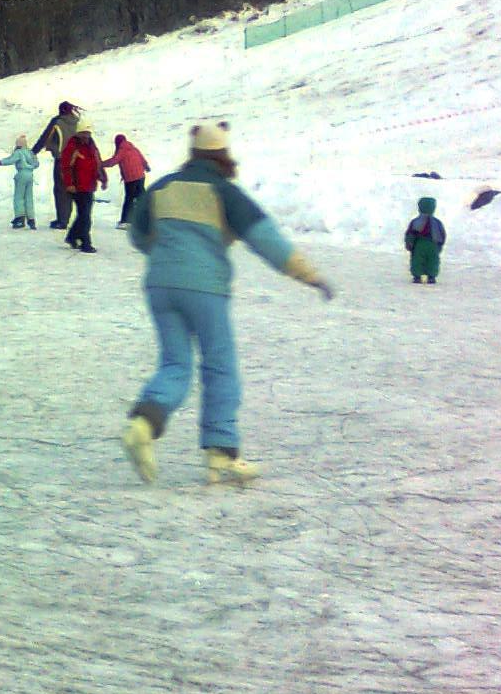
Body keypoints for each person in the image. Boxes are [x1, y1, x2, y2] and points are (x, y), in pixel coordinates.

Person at [121, 121, 334, 486]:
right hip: (205, 288)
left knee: (175, 363)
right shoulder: (224, 192)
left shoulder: (163, 187)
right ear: (223, 156)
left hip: (159, 286)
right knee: (220, 366)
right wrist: (310, 275)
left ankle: (143, 424)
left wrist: (165, 256)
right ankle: (221, 454)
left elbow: (138, 234)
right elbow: (268, 241)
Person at [31, 101, 81, 230]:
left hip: (62, 159)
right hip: (77, 160)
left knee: (61, 189)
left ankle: (62, 220)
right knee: (71, 188)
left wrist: (33, 152)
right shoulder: (77, 122)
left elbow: (45, 137)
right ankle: (70, 218)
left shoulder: (57, 122)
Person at [60, 119, 107, 253]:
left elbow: (97, 163)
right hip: (77, 187)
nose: (86, 136)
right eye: (84, 133)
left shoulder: (92, 147)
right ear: (78, 133)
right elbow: (66, 167)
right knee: (85, 216)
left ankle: (72, 237)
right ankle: (86, 242)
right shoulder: (72, 147)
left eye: (88, 133)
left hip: (89, 186)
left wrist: (103, 178)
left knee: (83, 214)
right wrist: (69, 184)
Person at [0, 134, 40, 229]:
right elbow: (36, 164)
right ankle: (31, 220)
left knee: (19, 197)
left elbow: (10, 160)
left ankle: (20, 218)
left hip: (21, 175)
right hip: (30, 175)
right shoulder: (30, 153)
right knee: (29, 198)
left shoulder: (19, 152)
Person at [103, 133, 150, 229]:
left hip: (131, 178)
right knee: (141, 198)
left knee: (129, 199)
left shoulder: (121, 150)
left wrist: (100, 164)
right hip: (140, 176)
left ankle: (125, 221)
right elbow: (142, 159)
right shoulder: (133, 148)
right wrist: (146, 166)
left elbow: (113, 161)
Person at [404, 196, 447, 284]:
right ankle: (431, 276)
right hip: (433, 245)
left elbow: (410, 233)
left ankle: (418, 276)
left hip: (419, 244)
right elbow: (442, 235)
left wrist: (409, 243)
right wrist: (440, 245)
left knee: (418, 260)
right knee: (432, 260)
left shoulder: (416, 221)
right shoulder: (437, 222)